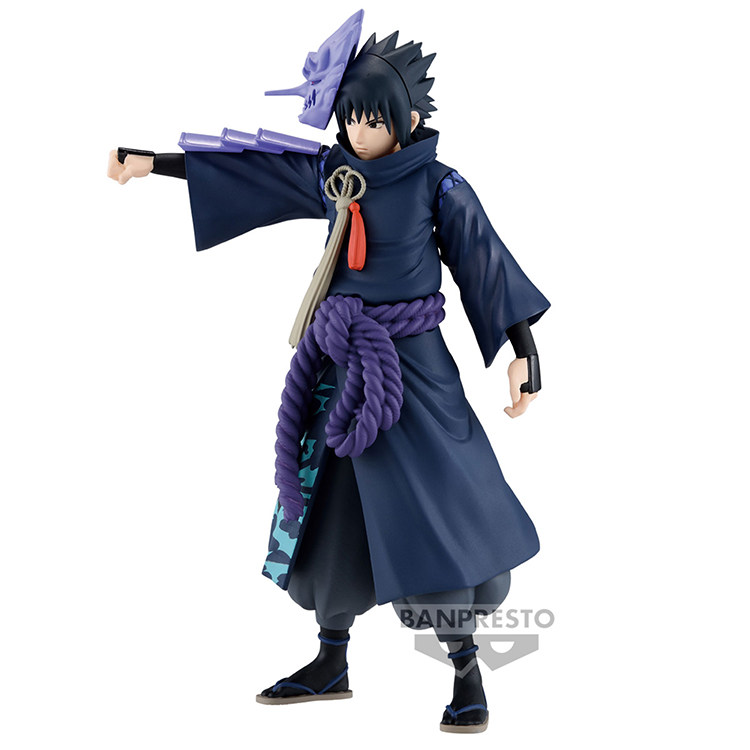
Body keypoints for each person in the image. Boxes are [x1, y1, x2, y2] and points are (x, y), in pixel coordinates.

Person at [107, 19, 550, 734]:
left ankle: (466, 670)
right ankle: (331, 659)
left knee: (437, 513)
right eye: (351, 118)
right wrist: (153, 162)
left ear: (407, 122)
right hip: (340, 367)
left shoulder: (438, 185)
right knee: (326, 509)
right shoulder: (335, 176)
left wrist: (523, 348)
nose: (360, 132)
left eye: (374, 120)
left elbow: (483, 260)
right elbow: (255, 170)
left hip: (412, 376)